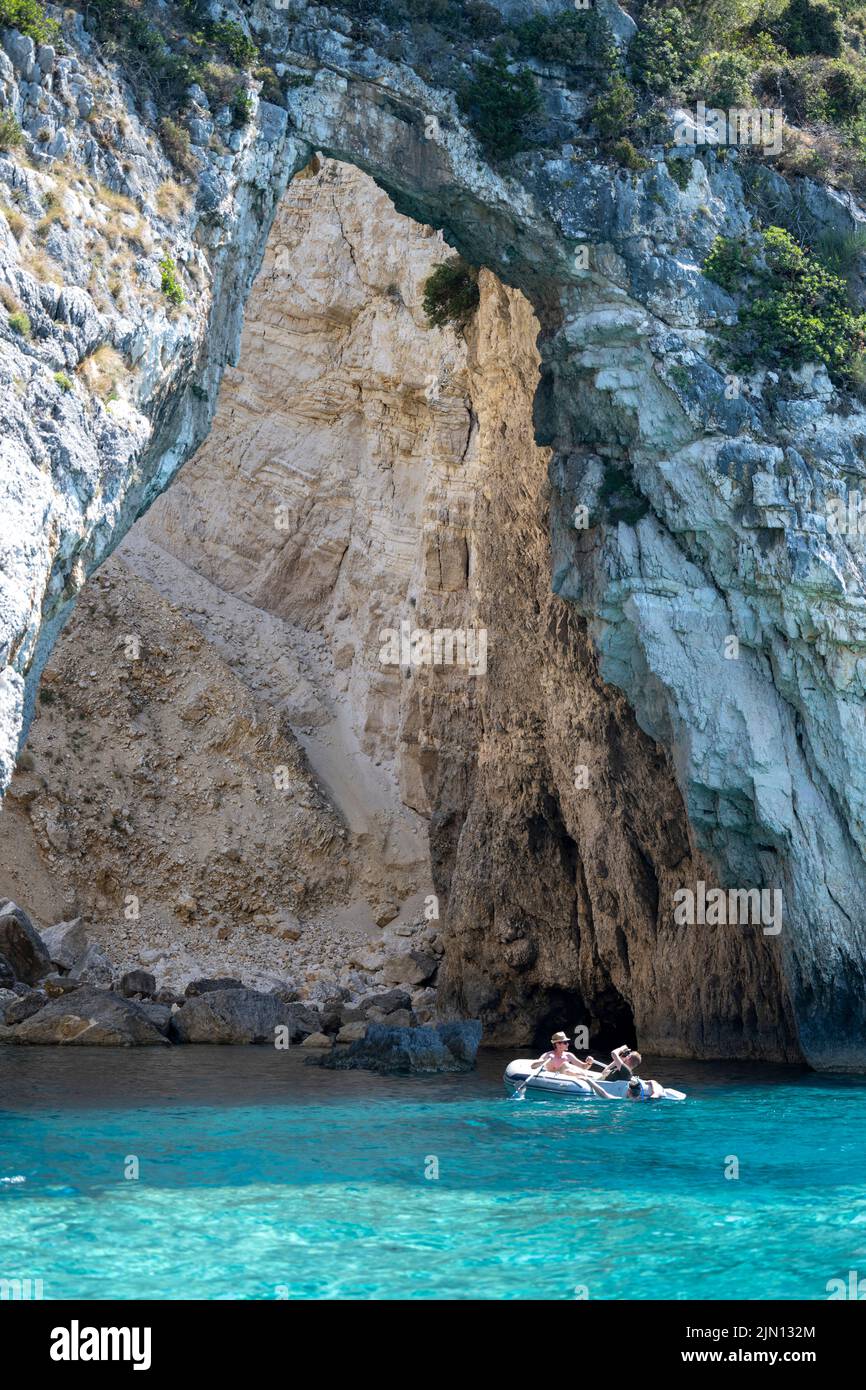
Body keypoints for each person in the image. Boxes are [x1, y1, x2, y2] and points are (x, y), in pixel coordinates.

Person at [529, 1031, 597, 1075]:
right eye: (565, 1043)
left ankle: (586, 1077)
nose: (567, 1044)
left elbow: (583, 1066)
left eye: (567, 1042)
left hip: (565, 1079)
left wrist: (589, 1063)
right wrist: (545, 1061)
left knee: (567, 1068)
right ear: (557, 1044)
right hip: (553, 1079)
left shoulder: (569, 1055)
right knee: (565, 1065)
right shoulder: (548, 1055)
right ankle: (585, 1077)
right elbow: (533, 1066)